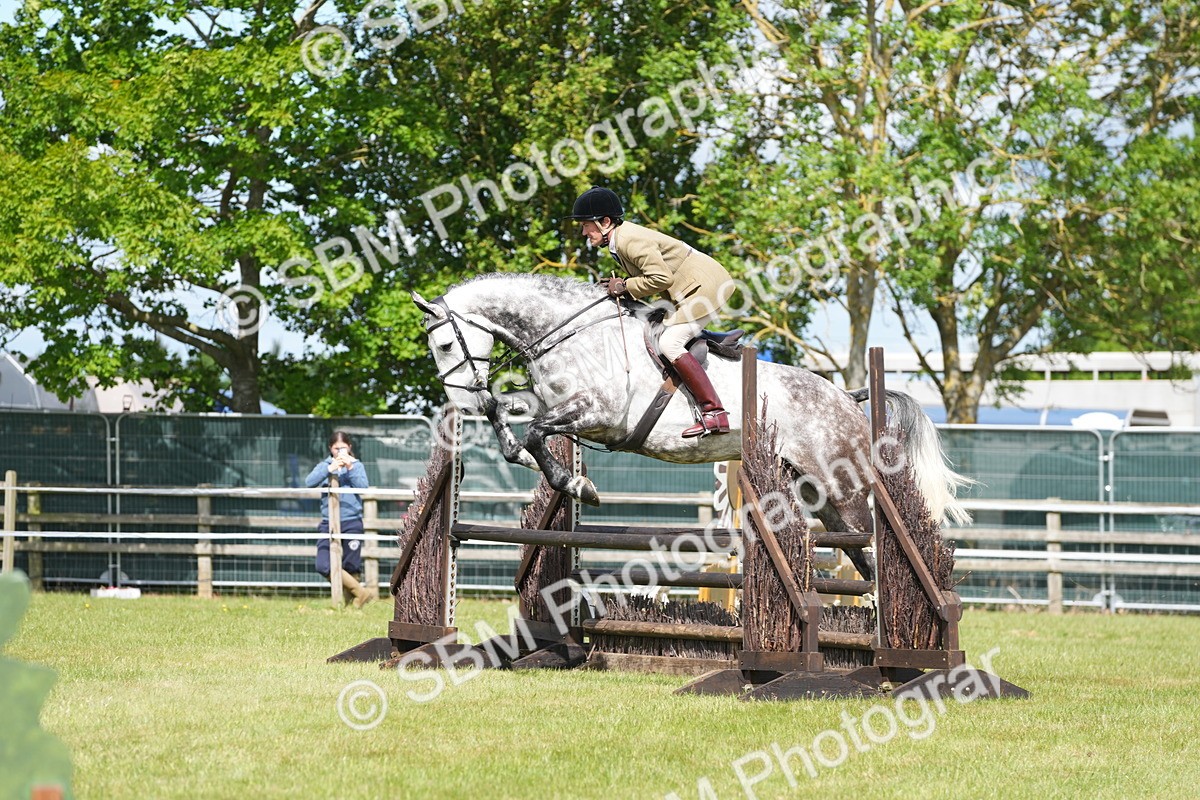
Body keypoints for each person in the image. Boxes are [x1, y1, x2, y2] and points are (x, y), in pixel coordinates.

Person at [568, 185, 736, 437]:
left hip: (706, 288)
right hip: (687, 289)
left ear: (605, 222)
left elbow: (661, 278)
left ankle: (715, 414)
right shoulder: (619, 241)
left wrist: (625, 285)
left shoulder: (629, 240)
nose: (583, 232)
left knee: (670, 343)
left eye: (585, 225)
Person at [305, 431, 372, 608]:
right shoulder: (325, 465)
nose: (340, 451)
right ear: (330, 449)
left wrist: (349, 468)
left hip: (351, 521)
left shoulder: (357, 466)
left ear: (349, 447)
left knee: (351, 564)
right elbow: (309, 482)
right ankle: (361, 592)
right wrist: (329, 469)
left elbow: (363, 487)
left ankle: (351, 605)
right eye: (336, 448)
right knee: (323, 565)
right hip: (329, 522)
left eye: (343, 447)